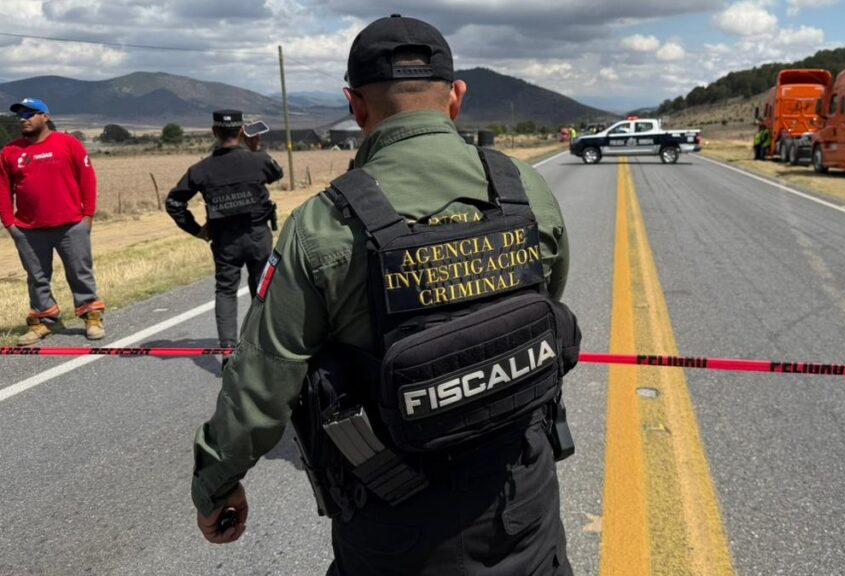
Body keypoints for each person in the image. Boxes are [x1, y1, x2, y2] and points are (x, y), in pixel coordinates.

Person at [190, 14, 579, 576]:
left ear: (355, 106)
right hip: (524, 503)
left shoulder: (320, 227)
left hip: (396, 527)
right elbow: (544, 303)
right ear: (456, 97)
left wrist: (216, 483)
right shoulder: (526, 191)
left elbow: (260, 385)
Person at [165, 110, 283, 356]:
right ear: (241, 131)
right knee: (262, 289)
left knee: (226, 291)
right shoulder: (258, 160)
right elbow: (277, 173)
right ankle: (262, 348)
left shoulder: (201, 169)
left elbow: (174, 203)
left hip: (224, 242)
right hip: (258, 236)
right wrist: (255, 148)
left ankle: (228, 349)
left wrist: (196, 230)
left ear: (214, 132)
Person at [0, 97, 106, 345]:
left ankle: (91, 315)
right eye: (20, 115)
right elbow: (3, 190)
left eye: (30, 114)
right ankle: (44, 320)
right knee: (37, 277)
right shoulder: (10, 152)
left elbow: (87, 179)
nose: (23, 119)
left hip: (71, 225)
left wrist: (87, 217)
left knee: (80, 272)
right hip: (28, 229)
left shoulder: (68, 143)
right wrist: (10, 224)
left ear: (45, 117)